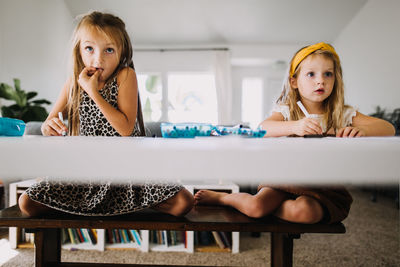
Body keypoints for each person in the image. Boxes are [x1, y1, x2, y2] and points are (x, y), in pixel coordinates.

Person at [194, 42, 395, 224]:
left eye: (328, 74)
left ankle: (271, 210)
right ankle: (224, 197)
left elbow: (388, 128)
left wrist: (362, 129)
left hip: (323, 186)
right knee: (256, 208)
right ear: (294, 82)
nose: (320, 81)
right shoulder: (287, 111)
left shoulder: (342, 113)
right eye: (311, 74)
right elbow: (262, 129)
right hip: (284, 178)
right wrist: (294, 126)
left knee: (305, 213)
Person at [19, 11, 194, 217]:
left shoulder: (125, 76)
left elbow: (126, 128)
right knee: (26, 203)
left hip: (128, 168)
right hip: (85, 171)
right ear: (79, 51)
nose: (98, 58)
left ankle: (123, 204)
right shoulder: (73, 84)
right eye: (89, 49)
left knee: (184, 201)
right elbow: (50, 121)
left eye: (108, 50)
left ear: (122, 53)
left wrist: (93, 91)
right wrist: (47, 127)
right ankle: (93, 207)